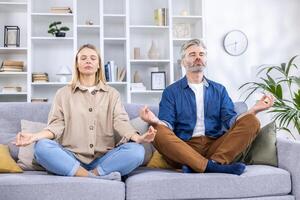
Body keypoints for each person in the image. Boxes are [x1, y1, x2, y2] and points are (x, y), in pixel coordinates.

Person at [13, 44, 156, 181]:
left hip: (104, 159)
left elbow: (121, 122)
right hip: (69, 158)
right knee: (42, 147)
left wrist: (138, 138)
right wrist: (34, 137)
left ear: (99, 64)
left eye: (93, 58)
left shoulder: (112, 94)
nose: (88, 60)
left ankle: (88, 174)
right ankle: (94, 177)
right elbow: (56, 126)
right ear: (77, 64)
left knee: (137, 151)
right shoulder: (62, 94)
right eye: (83, 58)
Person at [139, 39, 274, 175]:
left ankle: (206, 163)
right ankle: (213, 167)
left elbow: (231, 121)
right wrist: (154, 121)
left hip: (215, 147)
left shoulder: (219, 90)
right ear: (183, 62)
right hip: (183, 148)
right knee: (157, 131)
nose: (198, 57)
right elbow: (167, 124)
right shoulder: (171, 91)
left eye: (201, 54)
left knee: (252, 121)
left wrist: (254, 110)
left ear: (206, 60)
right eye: (192, 54)